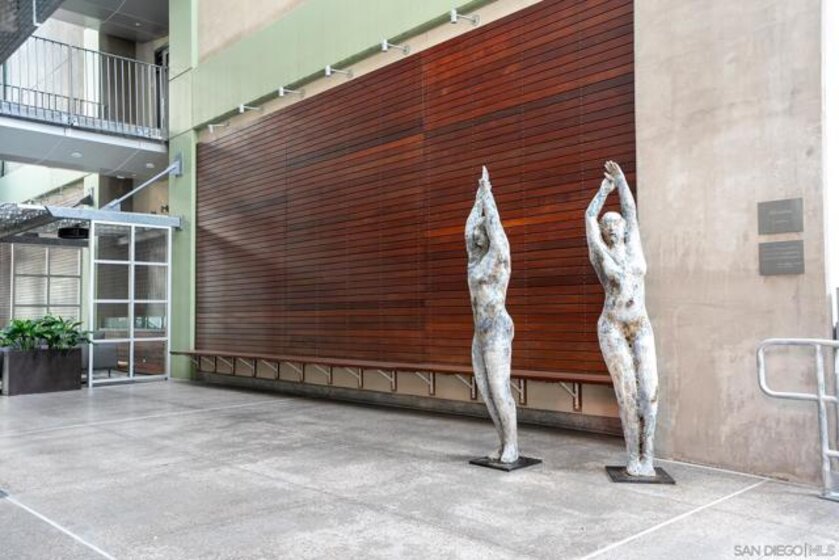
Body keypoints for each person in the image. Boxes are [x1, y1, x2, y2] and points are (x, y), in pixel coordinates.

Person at [585, 161, 659, 477]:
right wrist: (604, 191)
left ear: (625, 227)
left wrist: (621, 181)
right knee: (627, 393)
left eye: (616, 222)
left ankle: (648, 457)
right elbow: (588, 217)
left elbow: (630, 209)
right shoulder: (600, 254)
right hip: (612, 325)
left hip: (640, 324)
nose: (612, 226)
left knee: (650, 392)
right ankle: (632, 456)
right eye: (607, 224)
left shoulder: (634, 245)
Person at [465, 166, 519, 463]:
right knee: (486, 390)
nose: (475, 234)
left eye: (480, 230)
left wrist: (488, 195)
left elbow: (496, 228)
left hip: (497, 328)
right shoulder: (474, 262)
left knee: (499, 389)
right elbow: (467, 229)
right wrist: (478, 198)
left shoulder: (499, 258)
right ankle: (502, 442)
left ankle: (512, 445)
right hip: (480, 332)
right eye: (476, 231)